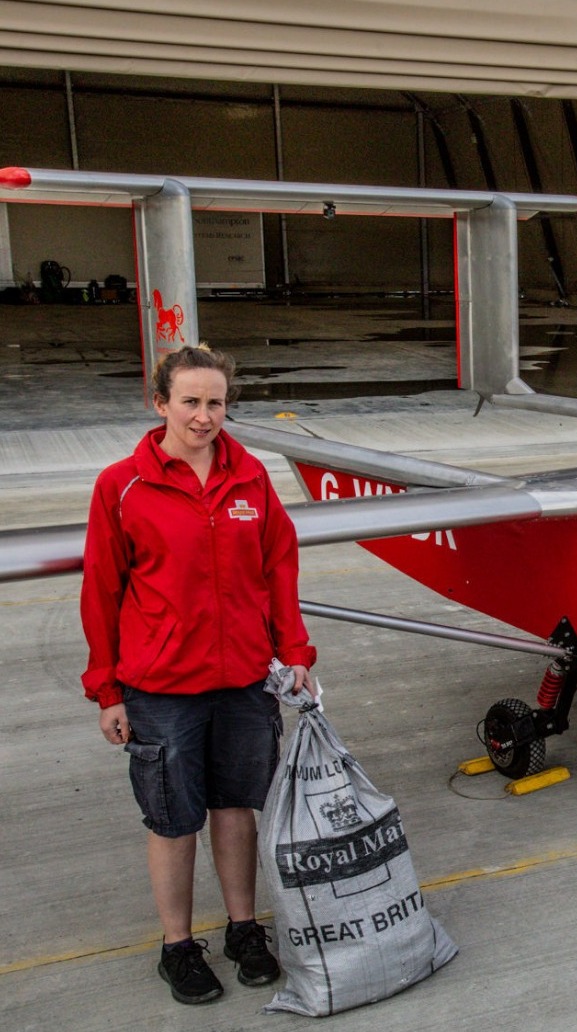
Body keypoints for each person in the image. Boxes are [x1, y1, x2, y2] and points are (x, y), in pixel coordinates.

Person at [80, 345, 317, 1005]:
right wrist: (107, 689)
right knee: (173, 819)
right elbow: (100, 591)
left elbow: (280, 567)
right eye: (190, 401)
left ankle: (244, 930)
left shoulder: (251, 479)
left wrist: (294, 650)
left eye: (215, 403)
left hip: (242, 678)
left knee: (236, 807)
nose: (204, 416)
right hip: (160, 690)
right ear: (161, 404)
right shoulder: (122, 484)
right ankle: (178, 946)